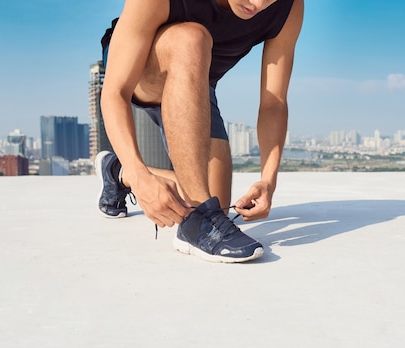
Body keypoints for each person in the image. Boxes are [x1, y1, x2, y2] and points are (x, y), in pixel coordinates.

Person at [96, 0, 304, 263]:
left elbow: (274, 103)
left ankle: (117, 171)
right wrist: (141, 176)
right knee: (191, 37)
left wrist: (268, 180)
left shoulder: (289, 7)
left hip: (197, 85)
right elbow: (115, 92)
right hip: (142, 70)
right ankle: (179, 210)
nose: (258, 3)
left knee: (213, 201)